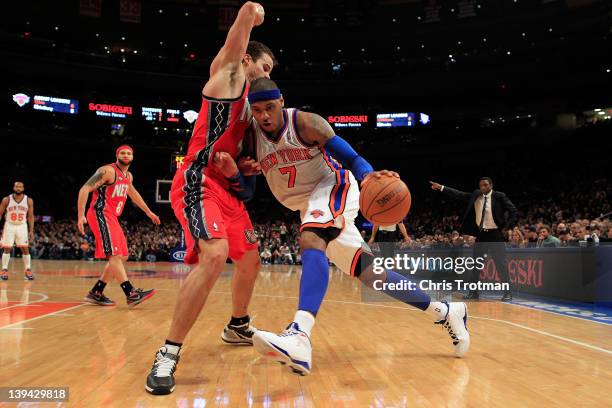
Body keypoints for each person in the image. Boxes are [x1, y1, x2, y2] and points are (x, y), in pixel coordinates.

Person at [216, 78, 469, 376]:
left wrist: (368, 176)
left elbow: (351, 157)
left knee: (310, 238)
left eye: (270, 107)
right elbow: (246, 192)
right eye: (257, 110)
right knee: (371, 273)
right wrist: (237, 175)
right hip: (307, 207)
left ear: (282, 101)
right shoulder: (251, 138)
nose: (265, 116)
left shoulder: (306, 123)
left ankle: (300, 334)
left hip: (334, 187)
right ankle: (447, 311)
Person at [145, 2, 275, 395]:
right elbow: (233, 47)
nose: (267, 77)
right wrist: (250, 13)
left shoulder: (250, 118)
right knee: (215, 254)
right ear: (249, 60)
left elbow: (247, 183)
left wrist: (241, 170)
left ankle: (237, 325)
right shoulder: (229, 78)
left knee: (250, 258)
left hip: (225, 190)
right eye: (265, 68)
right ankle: (168, 352)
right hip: (198, 181)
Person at [77, 146, 159, 307]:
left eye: (129, 153)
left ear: (133, 157)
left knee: (122, 256)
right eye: (123, 153)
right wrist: (81, 215)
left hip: (112, 217)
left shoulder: (128, 176)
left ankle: (96, 292)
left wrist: (149, 212)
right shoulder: (107, 171)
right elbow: (85, 189)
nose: (126, 155)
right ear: (117, 155)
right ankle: (131, 293)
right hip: (100, 213)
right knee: (114, 254)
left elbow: (133, 194)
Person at [430, 178, 517, 301]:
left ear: (491, 185)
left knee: (501, 265)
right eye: (481, 185)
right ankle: (473, 293)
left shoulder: (499, 196)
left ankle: (508, 293)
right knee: (476, 266)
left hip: (496, 235)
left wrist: (507, 227)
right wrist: (441, 187)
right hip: (481, 235)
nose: (483, 187)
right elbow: (459, 194)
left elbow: (513, 210)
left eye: (485, 185)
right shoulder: (476, 195)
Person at [0, 182, 35, 280]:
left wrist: (31, 230)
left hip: (22, 226)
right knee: (7, 248)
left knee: (25, 248)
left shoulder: (29, 200)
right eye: (16, 186)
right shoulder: (6, 199)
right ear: (13, 188)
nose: (18, 188)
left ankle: (28, 270)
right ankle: (4, 270)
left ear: (23, 188)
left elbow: (31, 216)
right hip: (9, 225)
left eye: (20, 187)